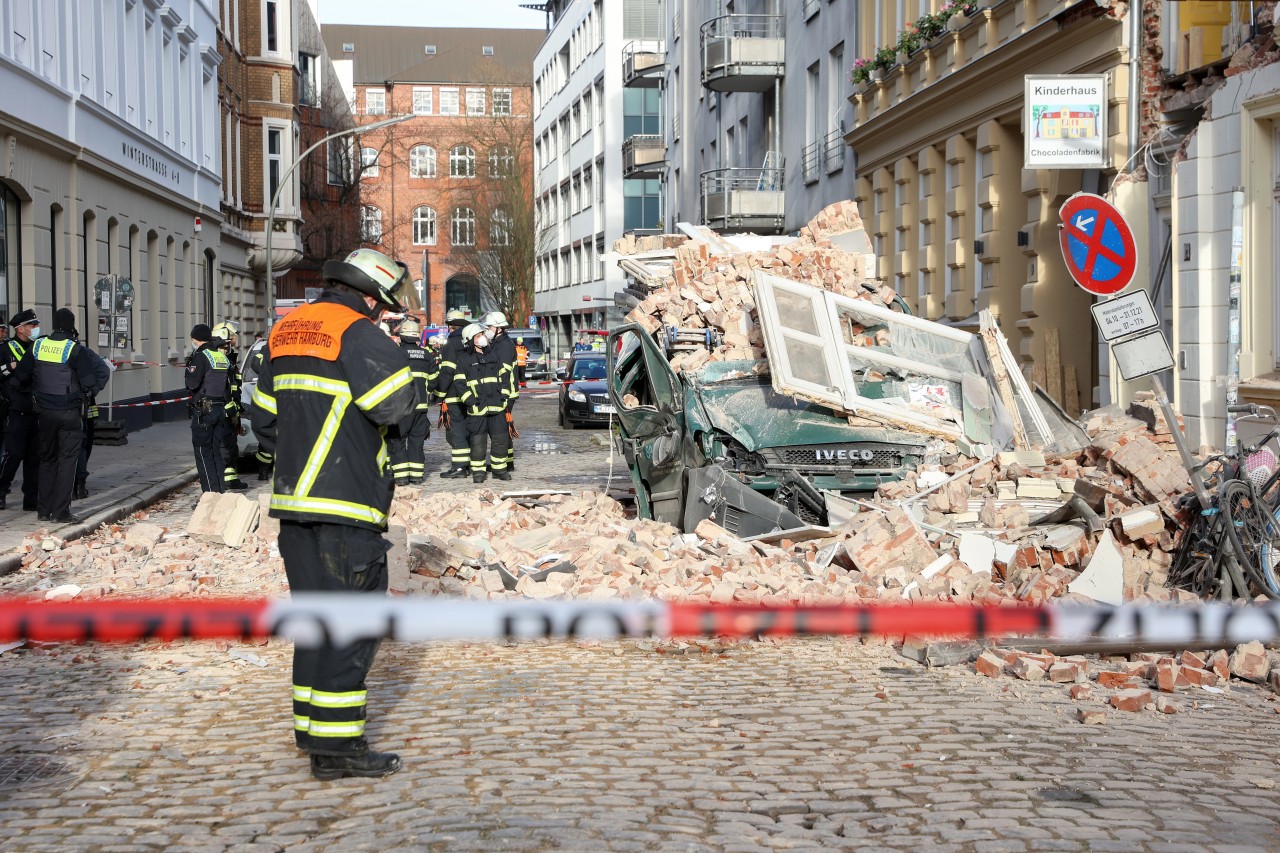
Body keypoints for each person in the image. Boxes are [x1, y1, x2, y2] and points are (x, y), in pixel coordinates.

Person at [251, 247, 418, 781]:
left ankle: (314, 733)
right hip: (346, 504)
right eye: (385, 304)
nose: (385, 313)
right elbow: (394, 407)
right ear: (369, 295)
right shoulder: (359, 333)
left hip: (294, 506)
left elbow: (265, 420)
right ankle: (341, 750)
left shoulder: (286, 330)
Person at [15, 309, 109, 524]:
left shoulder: (38, 345)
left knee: (47, 459)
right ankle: (61, 512)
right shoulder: (74, 349)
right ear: (71, 325)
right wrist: (90, 393)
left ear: (54, 324)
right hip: (69, 413)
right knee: (67, 461)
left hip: (44, 413)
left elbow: (21, 375)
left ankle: (43, 510)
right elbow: (88, 382)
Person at [445, 323, 512, 483]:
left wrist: (504, 396)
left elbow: (505, 376)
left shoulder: (494, 355)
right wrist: (471, 402)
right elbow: (460, 383)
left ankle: (499, 470)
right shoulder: (464, 360)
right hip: (477, 409)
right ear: (471, 340)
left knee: (500, 441)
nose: (482, 337)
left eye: (482, 334)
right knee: (478, 443)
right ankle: (478, 472)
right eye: (478, 336)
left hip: (497, 406)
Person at [0, 310, 42, 512]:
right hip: (15, 409)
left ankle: (31, 499)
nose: (35, 328)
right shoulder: (6, 348)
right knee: (14, 455)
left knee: (34, 457)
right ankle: (1, 491)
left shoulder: (38, 347)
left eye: (36, 325)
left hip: (36, 409)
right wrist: (11, 366)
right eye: (32, 325)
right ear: (21, 329)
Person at [388, 317, 436, 485]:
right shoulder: (426, 355)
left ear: (401, 336)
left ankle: (401, 477)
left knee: (398, 441)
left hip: (401, 408)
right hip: (421, 407)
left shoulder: (394, 353)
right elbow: (435, 379)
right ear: (417, 336)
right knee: (416, 442)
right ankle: (416, 476)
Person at [186, 323, 231, 493]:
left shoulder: (200, 356)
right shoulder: (220, 356)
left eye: (192, 339)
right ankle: (220, 491)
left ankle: (210, 495)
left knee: (202, 452)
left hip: (204, 411)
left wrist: (189, 370)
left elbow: (192, 383)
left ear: (196, 339)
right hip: (219, 408)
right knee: (215, 452)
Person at [433, 309, 472, 478]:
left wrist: (439, 393)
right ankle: (469, 464)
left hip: (454, 395)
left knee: (455, 431)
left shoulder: (451, 345)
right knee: (467, 429)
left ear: (450, 327)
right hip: (471, 394)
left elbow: (447, 372)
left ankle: (459, 467)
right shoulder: (471, 342)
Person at [212, 321, 249, 490]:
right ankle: (223, 482)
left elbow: (234, 386)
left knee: (231, 446)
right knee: (225, 447)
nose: (235, 338)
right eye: (232, 336)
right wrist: (231, 411)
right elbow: (223, 388)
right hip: (225, 411)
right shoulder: (219, 358)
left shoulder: (229, 357)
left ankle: (231, 479)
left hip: (232, 408)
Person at [480, 311, 518, 474]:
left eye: (489, 327)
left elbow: (503, 372)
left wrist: (502, 395)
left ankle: (506, 463)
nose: (487, 329)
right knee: (504, 427)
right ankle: (507, 461)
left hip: (505, 392)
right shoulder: (497, 342)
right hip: (504, 391)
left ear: (498, 328)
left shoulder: (504, 345)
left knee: (502, 428)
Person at [242, 331, 273, 481]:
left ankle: (265, 471)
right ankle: (264, 471)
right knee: (267, 438)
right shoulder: (266, 350)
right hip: (275, 401)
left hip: (279, 401)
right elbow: (256, 363)